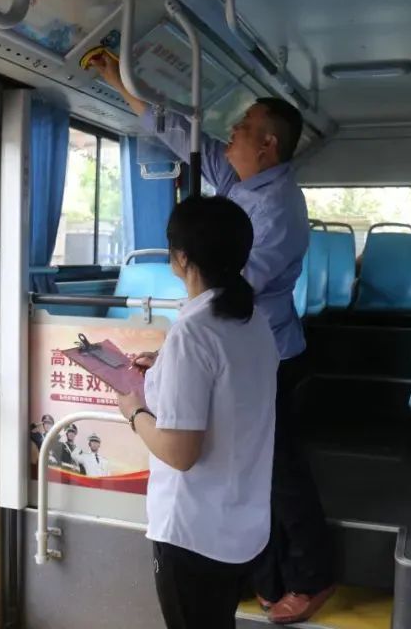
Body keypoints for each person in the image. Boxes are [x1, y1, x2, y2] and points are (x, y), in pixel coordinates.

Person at [94, 54, 334, 623]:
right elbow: (184, 135)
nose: (231, 134)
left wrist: (150, 388)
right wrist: (121, 82)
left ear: (268, 144)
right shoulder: (245, 184)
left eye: (243, 127)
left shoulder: (275, 210)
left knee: (278, 472)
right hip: (243, 348)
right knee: (248, 464)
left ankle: (311, 576)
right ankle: (257, 574)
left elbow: (230, 290)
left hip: (272, 356)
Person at [115, 196, 280, 629]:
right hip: (240, 523)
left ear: (183, 257)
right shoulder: (254, 321)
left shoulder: (193, 332)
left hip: (193, 532)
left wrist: (134, 411)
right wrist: (165, 365)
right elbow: (228, 385)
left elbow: (180, 452)